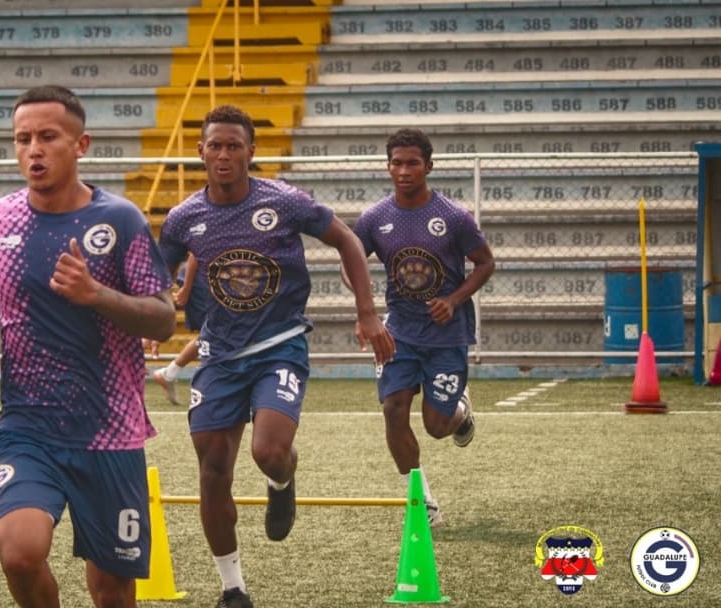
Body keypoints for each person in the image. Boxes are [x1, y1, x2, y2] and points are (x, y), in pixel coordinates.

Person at [156, 104, 395, 608]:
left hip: (278, 346)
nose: (223, 155)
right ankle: (233, 588)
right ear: (200, 151)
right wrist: (154, 308)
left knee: (267, 451)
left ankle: (282, 479)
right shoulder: (183, 218)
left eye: (234, 146)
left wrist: (368, 313)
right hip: (219, 356)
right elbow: (158, 273)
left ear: (251, 151)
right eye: (214, 146)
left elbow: (348, 240)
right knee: (213, 469)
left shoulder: (283, 202)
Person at [0, 85, 176, 608]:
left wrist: (95, 294)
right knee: (19, 553)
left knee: (112, 591)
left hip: (110, 432)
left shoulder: (120, 220)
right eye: (22, 138)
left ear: (81, 145)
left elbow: (164, 319)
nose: (34, 149)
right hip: (27, 425)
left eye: (48, 136)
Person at [346, 127, 495, 527]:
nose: (404, 170)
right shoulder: (375, 218)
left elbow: (485, 263)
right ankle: (422, 500)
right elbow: (351, 263)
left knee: (435, 426)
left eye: (413, 162)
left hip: (446, 335)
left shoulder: (452, 217)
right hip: (399, 332)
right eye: (397, 162)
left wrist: (454, 299)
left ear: (428, 166)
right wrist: (366, 309)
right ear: (387, 166)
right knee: (394, 408)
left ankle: (460, 411)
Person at [149, 252, 210, 405]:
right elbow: (197, 252)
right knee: (216, 330)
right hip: (199, 277)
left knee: (217, 331)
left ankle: (169, 373)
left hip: (207, 277)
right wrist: (187, 288)